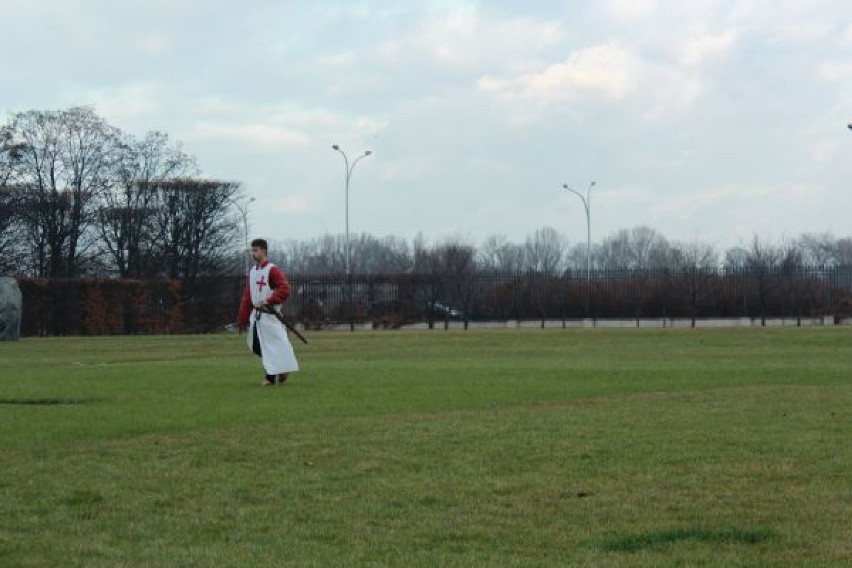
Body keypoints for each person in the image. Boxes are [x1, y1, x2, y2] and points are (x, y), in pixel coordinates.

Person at [237, 239, 299, 386]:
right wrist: (243, 317)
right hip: (257, 316)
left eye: (256, 250)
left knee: (274, 346)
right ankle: (281, 369)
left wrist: (270, 300)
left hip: (270, 317)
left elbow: (284, 289)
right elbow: (248, 296)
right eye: (252, 250)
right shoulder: (253, 272)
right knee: (257, 346)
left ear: (264, 250)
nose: (253, 253)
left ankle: (271, 378)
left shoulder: (272, 270)